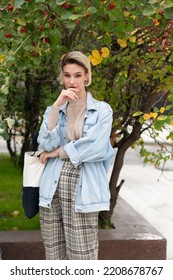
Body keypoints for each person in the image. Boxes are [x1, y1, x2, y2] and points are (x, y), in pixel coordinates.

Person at [37, 51, 114, 260]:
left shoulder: (102, 111)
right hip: (52, 184)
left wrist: (58, 152)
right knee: (54, 255)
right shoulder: (54, 109)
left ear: (87, 76)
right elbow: (44, 142)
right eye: (67, 75)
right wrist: (56, 106)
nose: (72, 81)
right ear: (62, 76)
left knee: (82, 256)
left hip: (83, 185)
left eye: (78, 75)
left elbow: (95, 147)